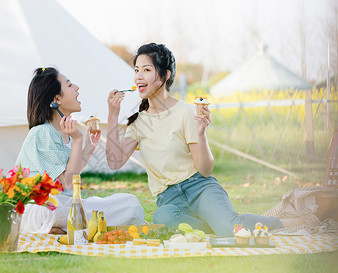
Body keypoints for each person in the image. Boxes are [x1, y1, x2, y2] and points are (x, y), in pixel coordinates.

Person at [105, 43, 305, 237]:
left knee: (230, 228)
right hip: (169, 200)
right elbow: (115, 163)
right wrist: (113, 116)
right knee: (162, 218)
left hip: (200, 188)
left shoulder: (186, 112)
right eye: (137, 70)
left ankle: (287, 223)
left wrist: (201, 134)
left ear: (165, 75)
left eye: (146, 69)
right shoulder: (139, 123)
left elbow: (206, 170)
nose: (139, 76)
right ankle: (218, 226)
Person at [16, 67, 144, 234]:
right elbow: (67, 182)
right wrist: (78, 139)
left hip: (62, 205)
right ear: (57, 99)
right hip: (39, 209)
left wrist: (89, 147)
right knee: (56, 210)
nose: (77, 88)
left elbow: (71, 174)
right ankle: (58, 227)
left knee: (129, 203)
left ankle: (63, 229)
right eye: (70, 85)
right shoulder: (42, 133)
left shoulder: (61, 133)